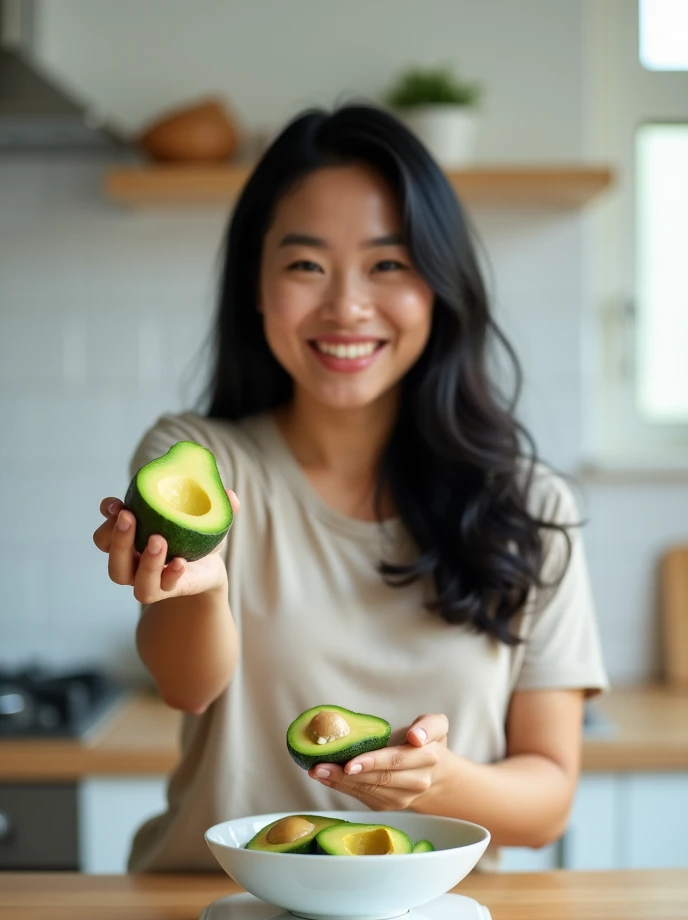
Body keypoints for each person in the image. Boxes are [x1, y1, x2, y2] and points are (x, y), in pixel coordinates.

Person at [93, 104, 608, 872]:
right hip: (210, 910)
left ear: (438, 285)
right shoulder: (197, 459)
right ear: (256, 286)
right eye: (306, 265)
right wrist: (197, 591)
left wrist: (434, 782)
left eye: (388, 264)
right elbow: (185, 687)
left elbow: (548, 801)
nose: (346, 306)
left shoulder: (531, 508)